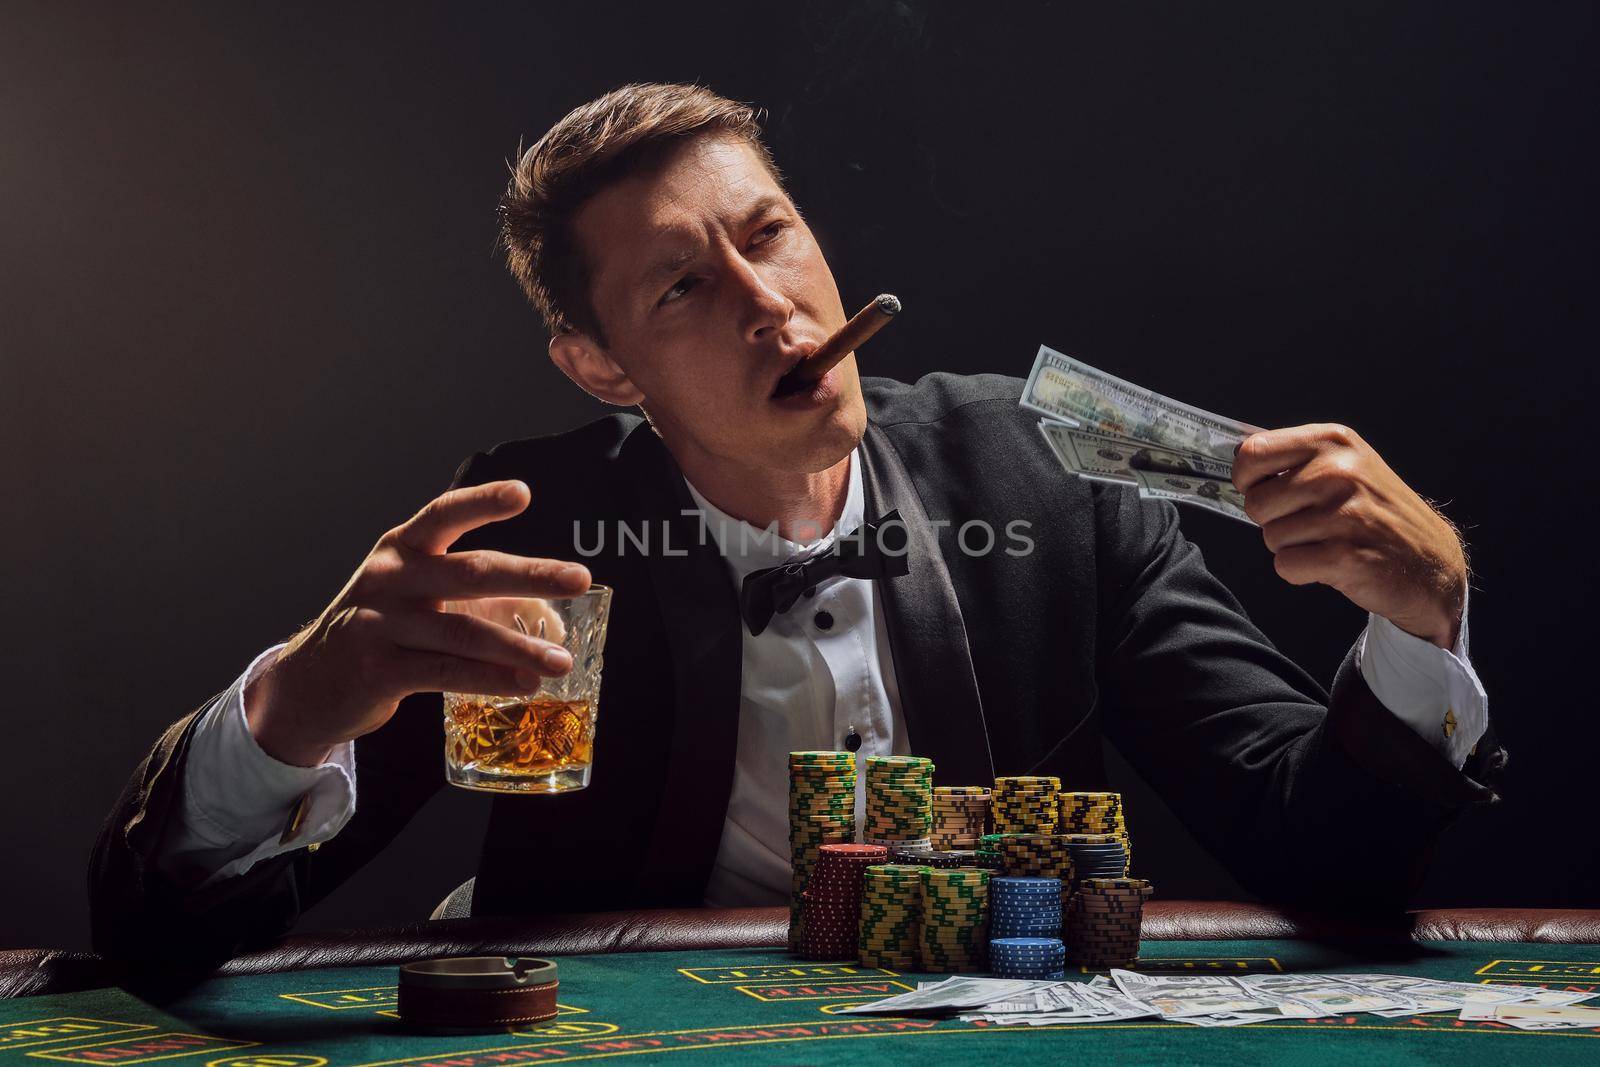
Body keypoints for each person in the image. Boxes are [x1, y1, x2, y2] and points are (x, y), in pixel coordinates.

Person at [90, 83, 1501, 980]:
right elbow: (164, 931)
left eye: (767, 237)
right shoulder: (533, 532)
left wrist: (1417, 627)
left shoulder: (1049, 474)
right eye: (678, 292)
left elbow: (1330, 859)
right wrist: (290, 710)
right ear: (599, 367)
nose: (770, 308)